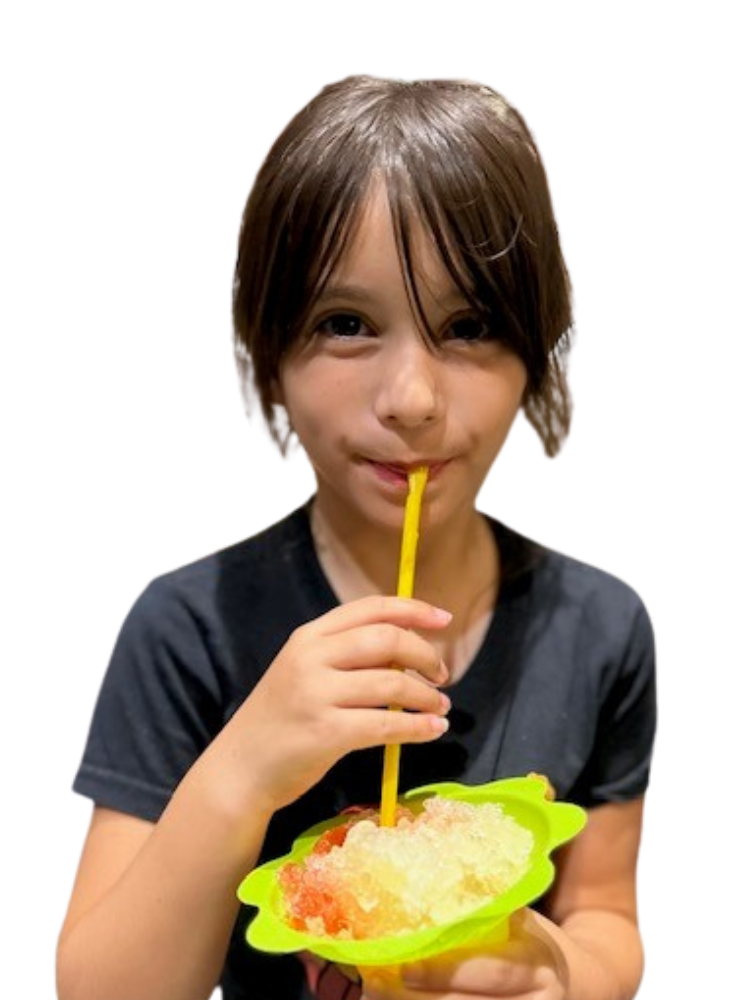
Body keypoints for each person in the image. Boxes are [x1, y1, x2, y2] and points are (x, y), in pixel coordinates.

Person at [55, 75, 657, 1000]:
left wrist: (561, 977)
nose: (411, 400)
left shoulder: (606, 626)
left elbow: (609, 913)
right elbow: (97, 989)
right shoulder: (186, 626)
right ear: (270, 359)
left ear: (539, 351)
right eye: (346, 324)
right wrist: (245, 768)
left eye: (469, 325)